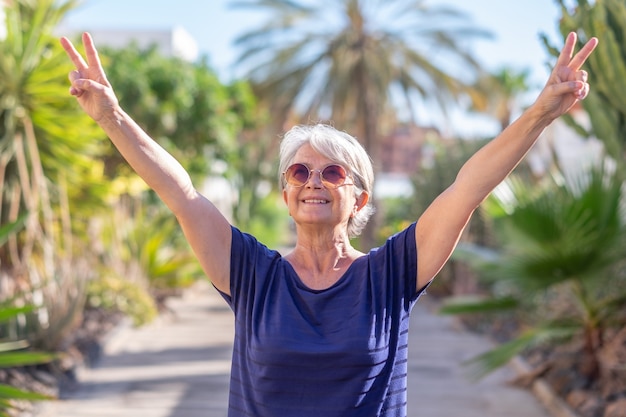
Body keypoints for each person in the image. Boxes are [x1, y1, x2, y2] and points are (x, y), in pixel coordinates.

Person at [60, 31, 597, 416]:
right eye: (299, 171)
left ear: (359, 195)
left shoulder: (391, 275)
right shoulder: (252, 273)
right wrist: (110, 115)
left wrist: (541, 112)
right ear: (286, 191)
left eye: (331, 171)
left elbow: (468, 189)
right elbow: (180, 192)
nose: (313, 180)